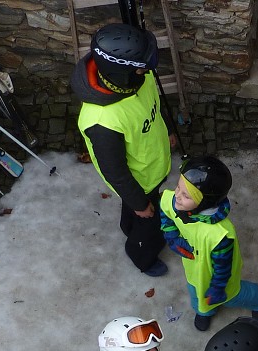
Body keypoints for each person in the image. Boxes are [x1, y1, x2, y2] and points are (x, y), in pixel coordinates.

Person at [71, 23, 175, 277]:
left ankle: (129, 222)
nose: (148, 70)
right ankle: (141, 255)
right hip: (140, 181)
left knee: (137, 212)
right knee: (149, 222)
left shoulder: (139, 78)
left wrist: (168, 129)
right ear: (122, 72)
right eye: (142, 67)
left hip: (152, 165)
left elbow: (156, 104)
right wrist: (139, 202)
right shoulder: (102, 121)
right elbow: (114, 170)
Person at [159, 156, 258, 331]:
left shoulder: (220, 236)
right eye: (178, 187)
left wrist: (218, 288)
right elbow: (165, 208)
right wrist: (171, 235)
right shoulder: (175, 202)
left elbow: (222, 268)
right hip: (193, 267)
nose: (177, 197)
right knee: (195, 290)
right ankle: (204, 311)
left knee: (232, 295)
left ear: (204, 202)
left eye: (186, 195)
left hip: (219, 277)